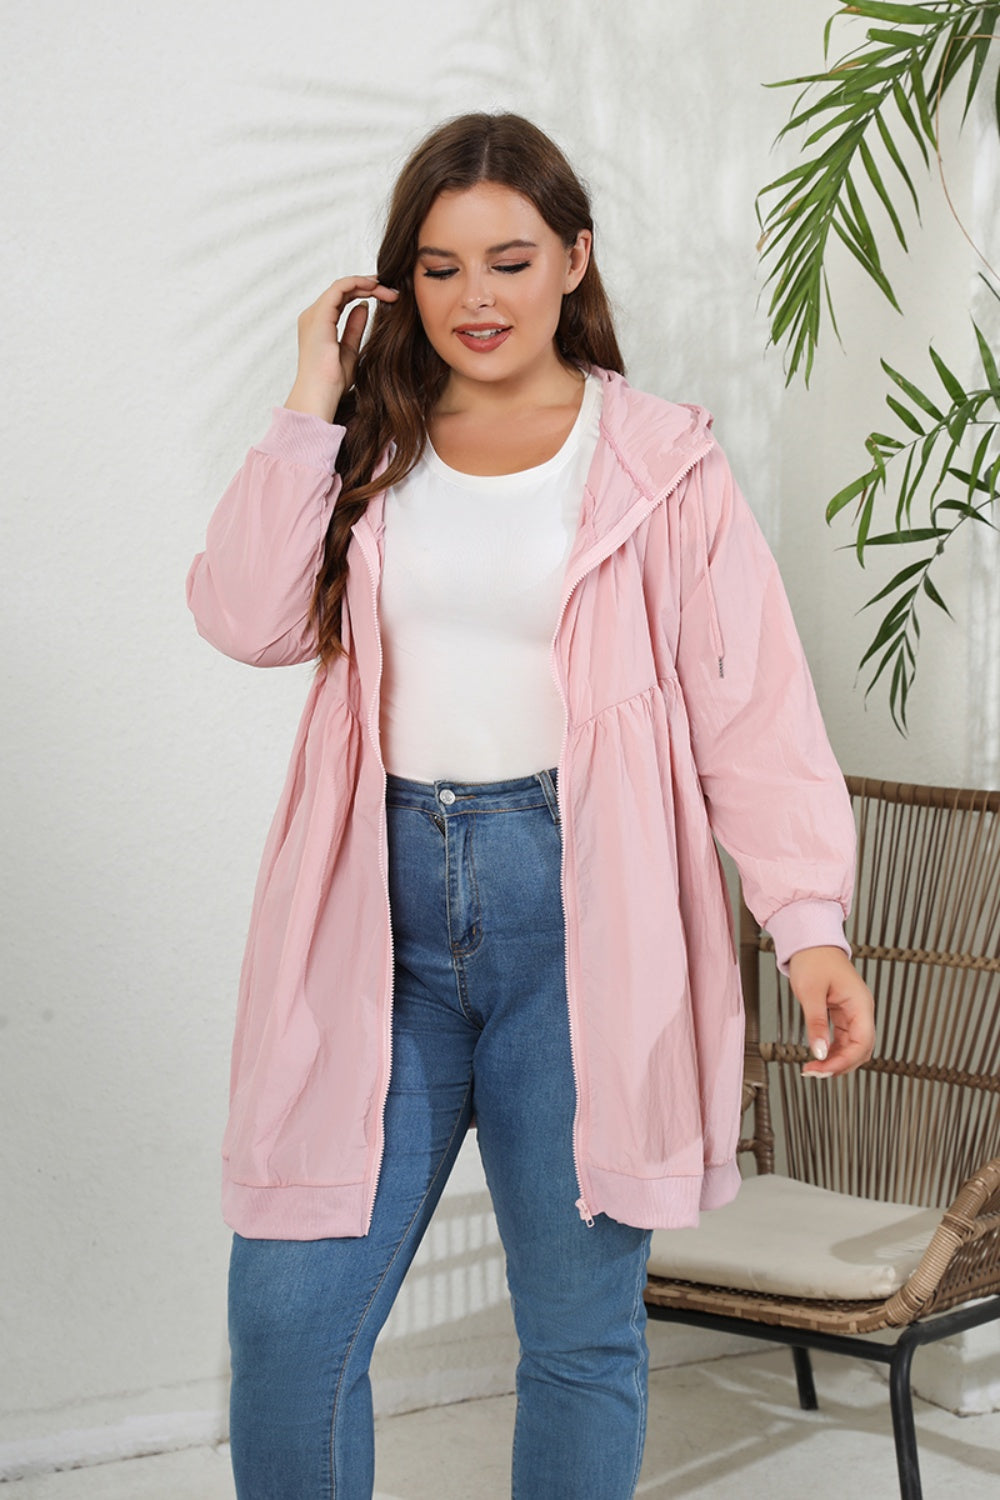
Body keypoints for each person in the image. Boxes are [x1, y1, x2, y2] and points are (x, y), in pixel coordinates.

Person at [186, 110, 876, 1500]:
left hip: (583, 923)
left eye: (509, 260)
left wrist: (808, 923)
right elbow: (246, 620)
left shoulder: (661, 462)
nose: (477, 298)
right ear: (401, 280)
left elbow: (751, 707)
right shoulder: (369, 446)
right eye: (440, 268)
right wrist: (311, 398)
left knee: (576, 1335)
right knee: (289, 1322)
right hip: (373, 924)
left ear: (575, 257)